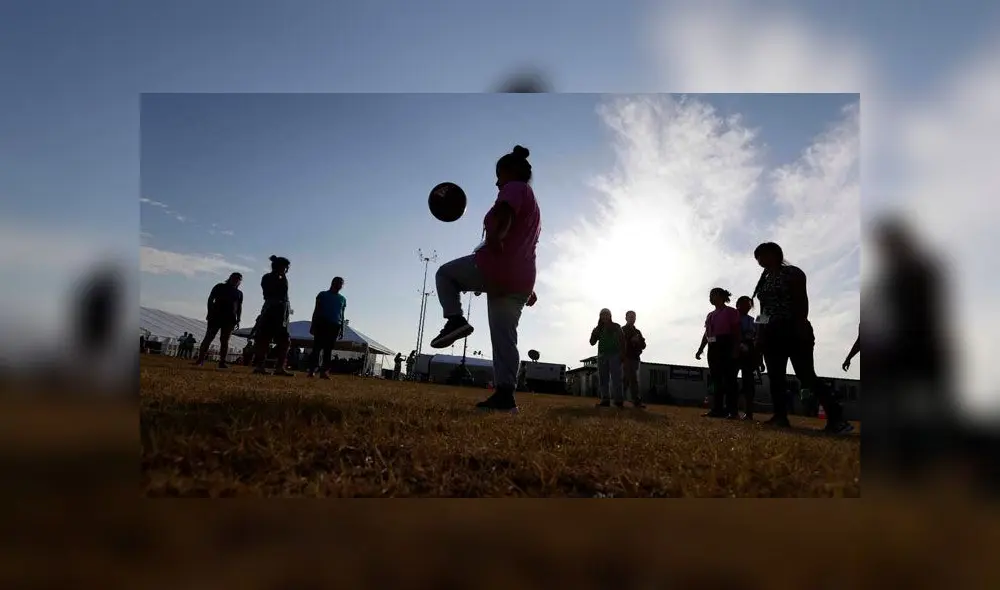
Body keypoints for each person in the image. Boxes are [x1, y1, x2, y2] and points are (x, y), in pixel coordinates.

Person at [428, 145, 541, 413]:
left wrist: (494, 237)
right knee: (505, 338)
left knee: (445, 274)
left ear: (509, 172)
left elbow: (504, 214)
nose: (496, 181)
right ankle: (505, 397)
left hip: (496, 266)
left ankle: (454, 319)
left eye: (498, 175)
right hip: (520, 279)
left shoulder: (514, 188)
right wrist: (529, 288)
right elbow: (525, 245)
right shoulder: (534, 204)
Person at [751, 242, 853, 434]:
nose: (758, 260)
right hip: (771, 333)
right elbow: (764, 310)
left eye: (761, 255)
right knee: (775, 376)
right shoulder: (764, 280)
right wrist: (759, 334)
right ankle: (780, 416)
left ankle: (837, 418)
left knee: (805, 375)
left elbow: (801, 302)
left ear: (774, 254)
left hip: (793, 329)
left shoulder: (793, 273)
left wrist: (800, 328)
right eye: (757, 257)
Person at [695, 288, 741, 419]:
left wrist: (736, 348)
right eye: (709, 296)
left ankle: (733, 411)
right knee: (716, 379)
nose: (710, 298)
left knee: (730, 379)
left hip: (726, 344)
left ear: (720, 296)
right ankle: (717, 409)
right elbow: (706, 333)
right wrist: (701, 348)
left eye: (713, 295)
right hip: (713, 347)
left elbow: (736, 331)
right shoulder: (710, 315)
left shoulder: (731, 312)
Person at [252, 255, 294, 376]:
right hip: (271, 310)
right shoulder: (269, 278)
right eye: (285, 268)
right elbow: (271, 294)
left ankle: (279, 367)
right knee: (264, 339)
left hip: (282, 312)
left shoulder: (281, 278)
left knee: (285, 341)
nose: (286, 270)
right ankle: (260, 366)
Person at [195, 272, 244, 368]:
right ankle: (200, 360)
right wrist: (209, 312)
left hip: (230, 319)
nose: (236, 280)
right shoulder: (220, 287)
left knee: (225, 340)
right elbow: (210, 299)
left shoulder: (239, 293)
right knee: (208, 337)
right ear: (230, 278)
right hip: (216, 316)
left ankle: (222, 362)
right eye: (235, 278)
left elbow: (239, 306)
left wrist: (239, 318)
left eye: (239, 279)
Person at [307, 277, 346, 379]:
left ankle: (324, 371)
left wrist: (342, 328)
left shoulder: (342, 299)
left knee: (328, 350)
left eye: (341, 284)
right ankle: (312, 370)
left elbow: (342, 314)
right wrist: (313, 324)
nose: (339, 285)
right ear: (332, 283)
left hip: (335, 325)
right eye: (338, 283)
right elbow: (316, 310)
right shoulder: (322, 295)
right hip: (322, 323)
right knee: (317, 348)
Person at [590, 308, 627, 408]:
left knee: (616, 379)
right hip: (602, 356)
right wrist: (594, 333)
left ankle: (619, 401)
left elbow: (623, 341)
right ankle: (605, 400)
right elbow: (592, 342)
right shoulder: (598, 328)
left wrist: (623, 355)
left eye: (606, 315)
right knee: (603, 379)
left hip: (615, 355)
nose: (604, 316)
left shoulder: (616, 327)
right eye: (602, 315)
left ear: (610, 316)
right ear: (600, 317)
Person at [735, 295, 763, 420]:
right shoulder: (732, 317)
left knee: (749, 383)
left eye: (749, 304)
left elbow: (758, 339)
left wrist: (759, 359)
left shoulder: (754, 320)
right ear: (738, 304)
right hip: (734, 349)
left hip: (749, 352)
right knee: (730, 381)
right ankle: (731, 410)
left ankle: (749, 413)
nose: (748, 306)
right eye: (745, 303)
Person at [621, 310, 647, 408]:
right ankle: (619, 400)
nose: (632, 318)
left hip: (635, 359)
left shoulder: (637, 332)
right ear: (626, 318)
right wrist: (630, 340)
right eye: (630, 317)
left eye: (633, 317)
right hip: (625, 358)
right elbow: (618, 343)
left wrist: (638, 341)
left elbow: (644, 345)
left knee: (634, 381)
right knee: (625, 380)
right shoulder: (622, 330)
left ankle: (636, 401)